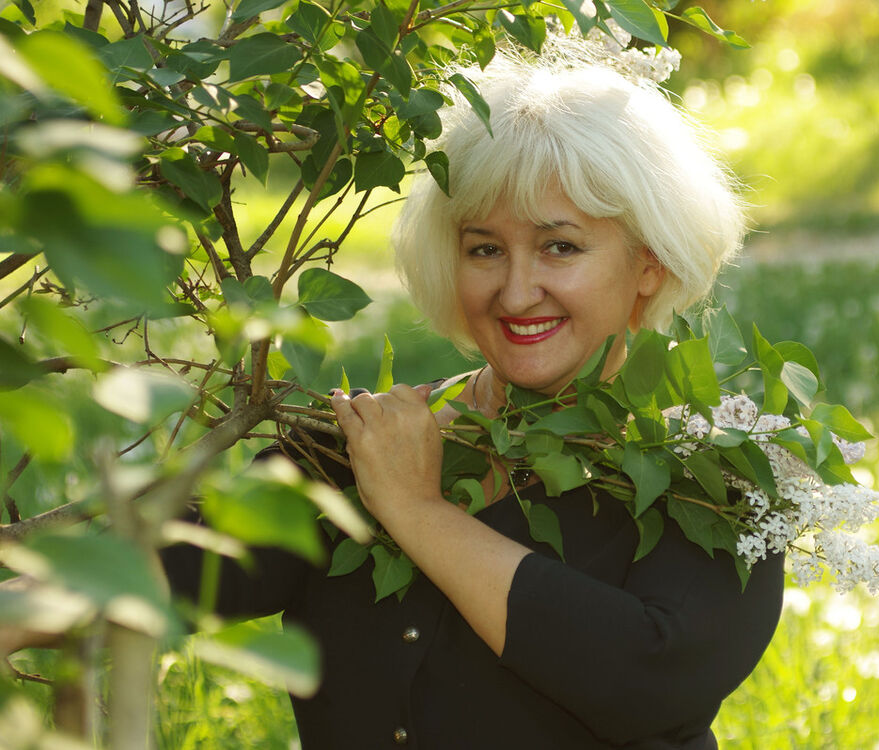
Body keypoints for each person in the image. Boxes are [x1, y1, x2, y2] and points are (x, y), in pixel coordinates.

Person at [17, 42, 786, 750]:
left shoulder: (713, 479)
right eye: (484, 248)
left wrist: (419, 513)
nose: (517, 291)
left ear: (647, 265)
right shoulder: (372, 441)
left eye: (561, 246)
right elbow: (182, 566)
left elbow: (649, 680)